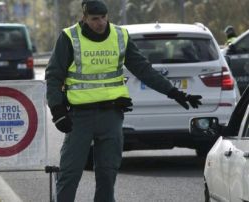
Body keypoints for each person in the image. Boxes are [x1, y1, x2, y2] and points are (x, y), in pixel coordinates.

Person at [45, 0, 203, 201]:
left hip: (111, 116)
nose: (100, 23)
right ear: (84, 18)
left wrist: (175, 93)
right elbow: (54, 76)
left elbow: (144, 70)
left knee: (107, 174)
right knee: (70, 172)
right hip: (79, 118)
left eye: (103, 17)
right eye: (95, 19)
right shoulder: (69, 37)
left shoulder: (120, 36)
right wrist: (57, 111)